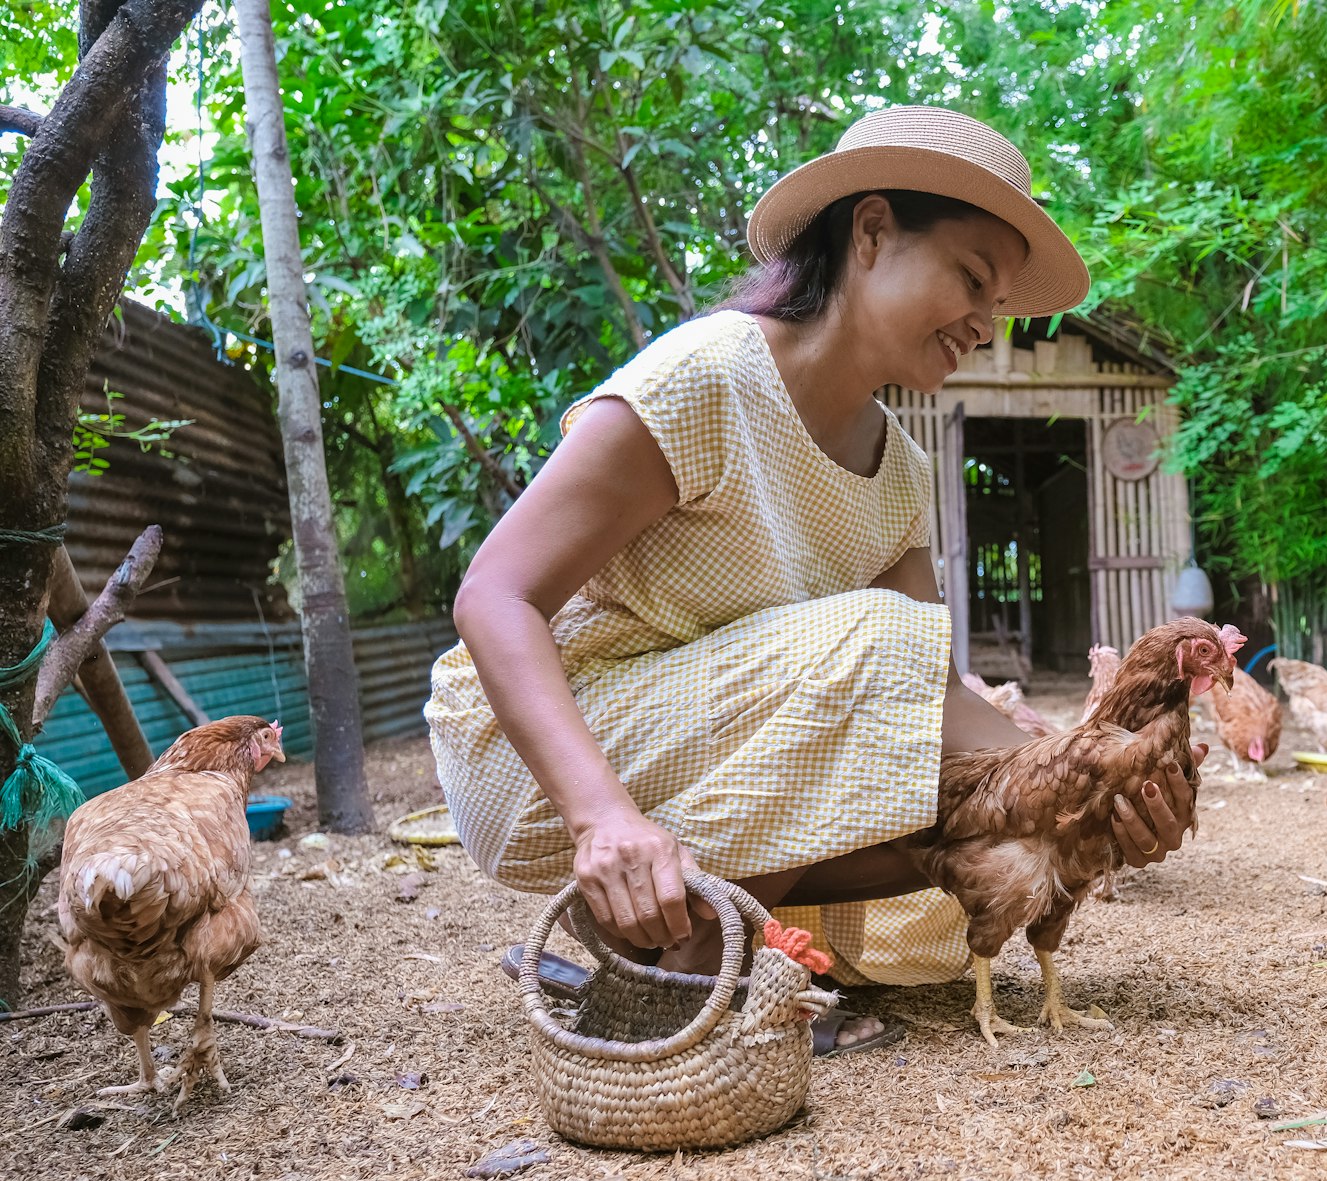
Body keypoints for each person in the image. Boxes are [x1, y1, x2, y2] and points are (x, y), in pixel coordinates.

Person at [427, 105, 1204, 1056]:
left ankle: (669, 934)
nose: (984, 322)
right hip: (541, 752)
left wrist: (1092, 792)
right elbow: (494, 598)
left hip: (709, 751)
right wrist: (604, 820)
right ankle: (692, 969)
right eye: (970, 278)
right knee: (882, 647)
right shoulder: (709, 378)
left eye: (998, 302)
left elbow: (932, 710)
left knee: (972, 856)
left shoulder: (902, 471)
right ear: (872, 231)